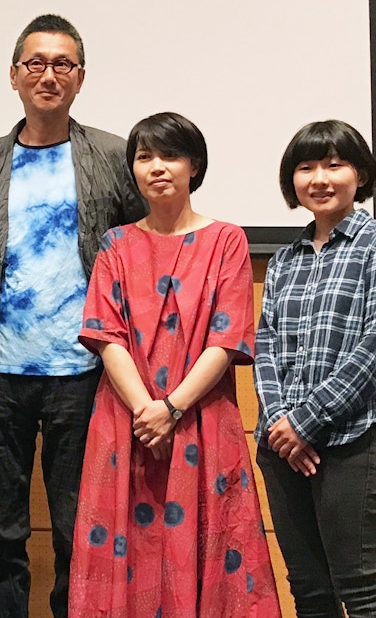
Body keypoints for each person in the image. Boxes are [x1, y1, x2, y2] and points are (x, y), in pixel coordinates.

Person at [0, 13, 147, 617]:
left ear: (80, 77)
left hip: (84, 373)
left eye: (62, 64)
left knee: (77, 529)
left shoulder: (113, 155)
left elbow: (143, 248)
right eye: (35, 63)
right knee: (1, 530)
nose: (48, 75)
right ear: (14, 75)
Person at [68, 112, 281, 615]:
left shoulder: (227, 240)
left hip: (200, 419)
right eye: (145, 157)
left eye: (170, 156)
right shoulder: (115, 244)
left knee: (213, 546)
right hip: (127, 421)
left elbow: (226, 339)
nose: (157, 167)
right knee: (125, 551)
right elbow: (106, 335)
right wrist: (147, 411)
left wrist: (172, 408)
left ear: (195, 166)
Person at [254, 120, 376, 618]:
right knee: (309, 591)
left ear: (360, 174)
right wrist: (282, 423)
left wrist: (307, 421)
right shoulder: (284, 261)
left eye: (334, 165)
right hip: (282, 446)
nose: (320, 179)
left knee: (360, 588)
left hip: (355, 439)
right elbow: (266, 346)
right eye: (306, 167)